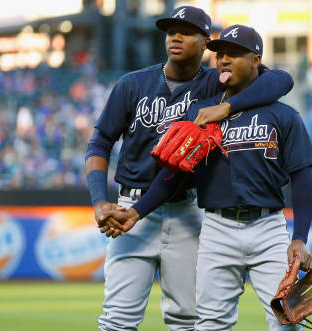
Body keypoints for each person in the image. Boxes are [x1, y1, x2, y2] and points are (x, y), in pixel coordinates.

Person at [85, 6, 294, 331]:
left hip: (189, 211)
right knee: (117, 319)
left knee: (188, 319)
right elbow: (100, 143)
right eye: (171, 31)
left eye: (186, 31)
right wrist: (100, 200)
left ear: (205, 41)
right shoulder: (133, 84)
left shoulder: (217, 82)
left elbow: (282, 79)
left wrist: (227, 105)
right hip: (131, 210)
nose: (176, 37)